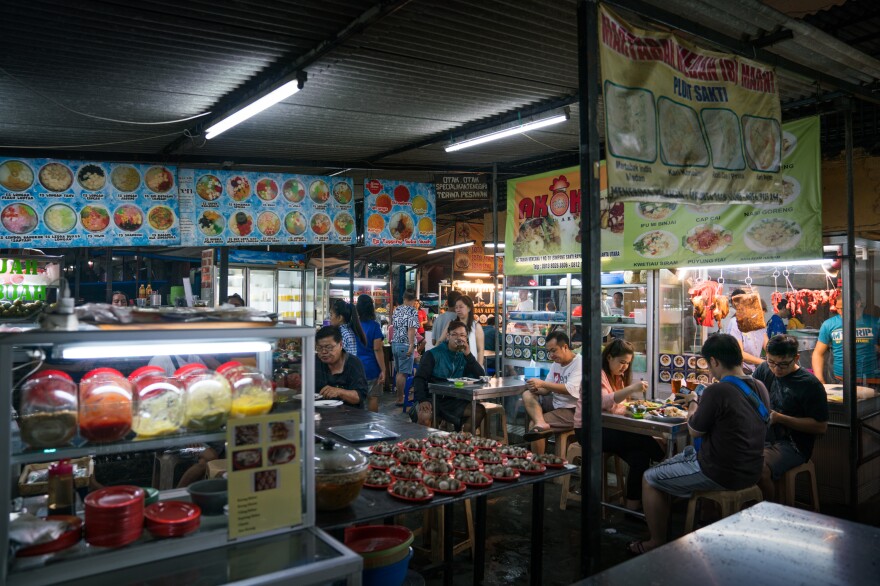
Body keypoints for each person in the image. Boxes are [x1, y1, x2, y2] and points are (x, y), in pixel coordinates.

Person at [630, 333, 770, 555]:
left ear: (714, 361)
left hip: (720, 472)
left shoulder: (718, 390)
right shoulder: (759, 386)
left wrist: (694, 401)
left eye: (709, 364)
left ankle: (655, 542)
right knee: (675, 460)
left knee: (650, 478)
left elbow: (694, 430)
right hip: (752, 469)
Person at [577, 339, 660, 511]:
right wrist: (631, 389)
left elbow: (616, 408)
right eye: (622, 362)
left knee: (640, 458)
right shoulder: (595, 374)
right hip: (588, 431)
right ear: (609, 357)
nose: (624, 367)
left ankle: (631, 508)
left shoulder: (617, 377)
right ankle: (662, 454)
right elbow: (603, 402)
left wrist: (629, 411)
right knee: (645, 441)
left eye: (628, 364)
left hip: (609, 429)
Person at [753, 335, 828, 501]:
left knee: (759, 468)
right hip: (763, 437)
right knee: (729, 457)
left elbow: (821, 426)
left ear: (796, 358)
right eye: (771, 362)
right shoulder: (764, 369)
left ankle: (770, 517)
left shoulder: (810, 385)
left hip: (793, 444)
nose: (776, 369)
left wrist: (781, 418)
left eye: (783, 364)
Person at [413, 320, 486, 432]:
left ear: (466, 339)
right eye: (455, 334)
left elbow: (481, 376)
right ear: (448, 336)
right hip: (431, 398)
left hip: (453, 401)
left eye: (462, 335)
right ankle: (424, 446)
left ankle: (463, 443)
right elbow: (419, 378)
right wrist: (422, 399)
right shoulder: (433, 354)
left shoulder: (465, 357)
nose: (459, 338)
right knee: (424, 416)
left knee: (479, 411)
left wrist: (469, 355)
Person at [522, 331, 581, 455]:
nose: (551, 355)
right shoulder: (556, 364)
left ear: (565, 347)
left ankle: (538, 463)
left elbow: (570, 389)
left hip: (572, 410)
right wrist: (535, 387)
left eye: (553, 351)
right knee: (527, 394)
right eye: (549, 351)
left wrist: (542, 383)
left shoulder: (579, 363)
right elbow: (546, 390)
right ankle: (541, 422)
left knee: (534, 427)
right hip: (556, 403)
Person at [812, 290, 880, 385]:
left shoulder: (875, 322)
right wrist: (819, 379)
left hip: (871, 379)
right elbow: (818, 353)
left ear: (857, 304)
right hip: (841, 379)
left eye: (843, 308)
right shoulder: (829, 324)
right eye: (837, 308)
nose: (840, 312)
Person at [314, 326, 368, 408]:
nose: (324, 352)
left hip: (349, 415)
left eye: (329, 347)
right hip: (320, 413)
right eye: (319, 348)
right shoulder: (314, 362)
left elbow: (359, 396)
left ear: (340, 345)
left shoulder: (353, 364)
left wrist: (340, 392)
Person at [725, 288, 768, 374]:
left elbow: (767, 345)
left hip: (754, 369)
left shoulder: (760, 324)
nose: (760, 317)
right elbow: (739, 353)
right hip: (740, 370)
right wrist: (764, 362)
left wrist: (774, 356)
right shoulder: (736, 322)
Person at [355, 294, 386, 413]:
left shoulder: (353, 325)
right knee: (372, 397)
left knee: (357, 397)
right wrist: (383, 369)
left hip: (356, 366)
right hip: (371, 367)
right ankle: (371, 424)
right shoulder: (374, 326)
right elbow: (377, 349)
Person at [391, 289, 420, 405]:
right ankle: (400, 398)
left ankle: (399, 397)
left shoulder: (397, 309)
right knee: (403, 373)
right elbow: (411, 329)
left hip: (395, 344)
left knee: (399, 372)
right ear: (413, 300)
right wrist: (411, 345)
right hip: (405, 344)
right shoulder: (412, 311)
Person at [438, 295, 485, 366]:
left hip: (470, 365)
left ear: (469, 308)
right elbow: (440, 341)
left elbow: (480, 350)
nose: (458, 310)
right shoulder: (451, 324)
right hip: (452, 365)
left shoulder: (476, 327)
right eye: (456, 307)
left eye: (461, 307)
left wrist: (479, 369)